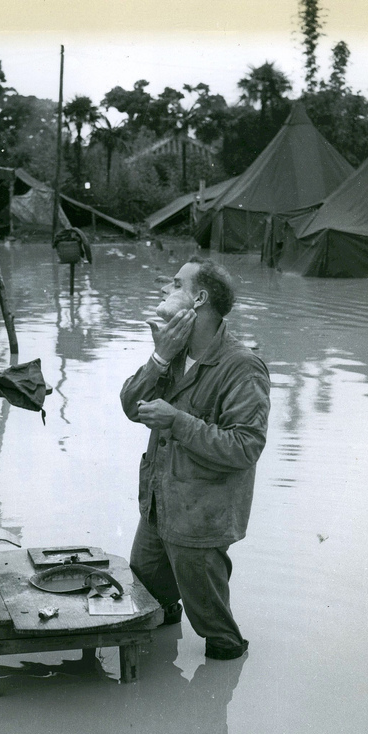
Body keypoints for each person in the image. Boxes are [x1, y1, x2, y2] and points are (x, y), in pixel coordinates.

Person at [120, 258, 270, 660]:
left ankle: (226, 660)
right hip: (159, 502)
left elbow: (245, 447)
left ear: (199, 298)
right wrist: (158, 359)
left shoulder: (242, 366)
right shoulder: (173, 350)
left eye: (174, 285)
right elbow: (131, 406)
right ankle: (162, 638)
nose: (164, 291)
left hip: (202, 513)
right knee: (145, 579)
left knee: (212, 620)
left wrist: (178, 421)